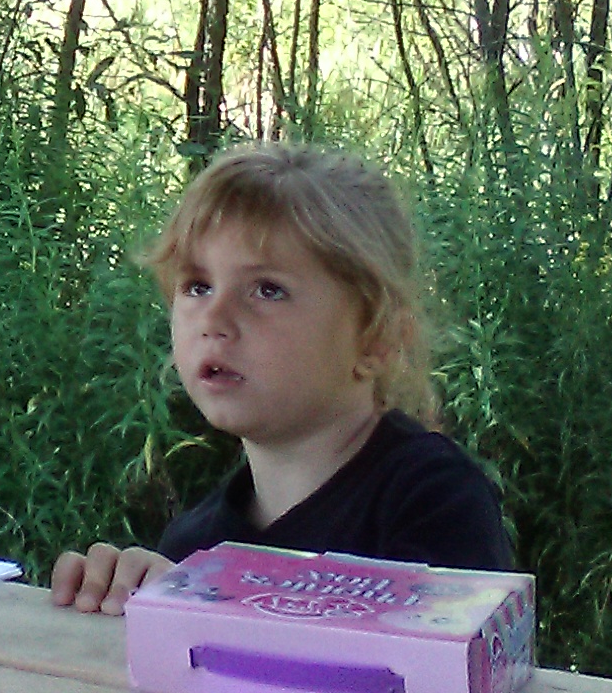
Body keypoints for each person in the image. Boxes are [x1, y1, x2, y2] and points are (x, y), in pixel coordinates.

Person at [51, 142, 512, 615]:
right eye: (198, 286)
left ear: (375, 339)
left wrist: (214, 606)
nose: (215, 317)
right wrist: (119, 600)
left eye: (268, 290)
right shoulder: (195, 544)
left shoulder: (432, 500)